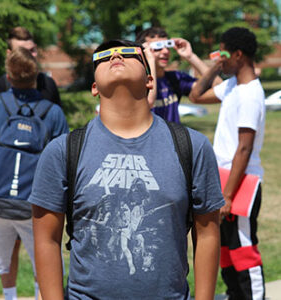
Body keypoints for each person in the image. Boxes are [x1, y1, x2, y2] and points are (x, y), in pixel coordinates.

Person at [29, 39, 225, 300]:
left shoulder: (193, 146)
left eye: (129, 54)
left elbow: (208, 233)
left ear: (150, 80)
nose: (115, 56)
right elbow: (46, 240)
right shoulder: (62, 151)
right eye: (103, 56)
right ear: (94, 87)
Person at [0, 47, 69, 300]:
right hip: (37, 205)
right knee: (47, 274)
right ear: (37, 77)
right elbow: (62, 160)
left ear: (7, 77)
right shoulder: (52, 112)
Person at [189, 27, 266, 299]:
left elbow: (244, 148)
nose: (221, 58)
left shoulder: (250, 94)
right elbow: (196, 96)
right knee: (225, 249)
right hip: (222, 176)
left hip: (241, 182)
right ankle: (235, 294)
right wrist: (213, 65)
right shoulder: (232, 86)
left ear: (239, 54)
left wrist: (228, 195)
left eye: (224, 53)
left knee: (243, 248)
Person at [136, 27, 222, 123]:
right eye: (157, 47)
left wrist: (190, 56)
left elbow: (220, 88)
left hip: (173, 138)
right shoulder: (135, 81)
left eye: (167, 46)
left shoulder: (175, 78)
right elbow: (149, 103)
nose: (166, 51)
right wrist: (148, 59)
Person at [0, 26, 62, 107]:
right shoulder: (0, 87)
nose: (29, 56)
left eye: (32, 50)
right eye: (22, 52)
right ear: (9, 54)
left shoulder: (48, 84)